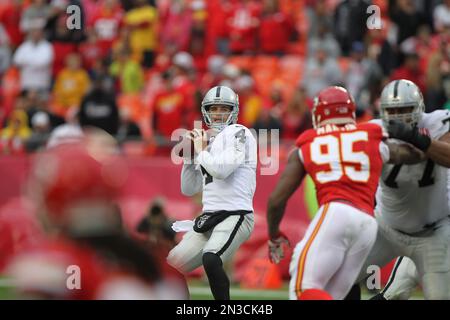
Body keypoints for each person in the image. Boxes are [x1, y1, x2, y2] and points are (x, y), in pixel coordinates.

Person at [266, 86, 424, 300]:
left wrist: (274, 233)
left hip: (336, 212)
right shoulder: (370, 136)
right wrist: (417, 139)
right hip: (367, 224)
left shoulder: (309, 140)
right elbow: (412, 155)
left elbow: (276, 201)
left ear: (318, 114)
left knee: (303, 290)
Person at [353, 79, 450, 300]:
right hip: (385, 228)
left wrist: (418, 139)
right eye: (393, 110)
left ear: (419, 108)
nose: (399, 117)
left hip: (434, 234)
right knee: (340, 277)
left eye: (405, 110)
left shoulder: (439, 123)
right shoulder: (372, 131)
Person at [167, 85, 257, 300]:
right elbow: (189, 189)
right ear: (205, 110)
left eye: (223, 109)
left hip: (236, 214)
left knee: (212, 258)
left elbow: (221, 170)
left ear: (233, 111)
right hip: (209, 216)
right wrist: (189, 159)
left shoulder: (240, 133)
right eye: (214, 108)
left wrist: (199, 149)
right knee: (170, 269)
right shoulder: (207, 139)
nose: (218, 113)